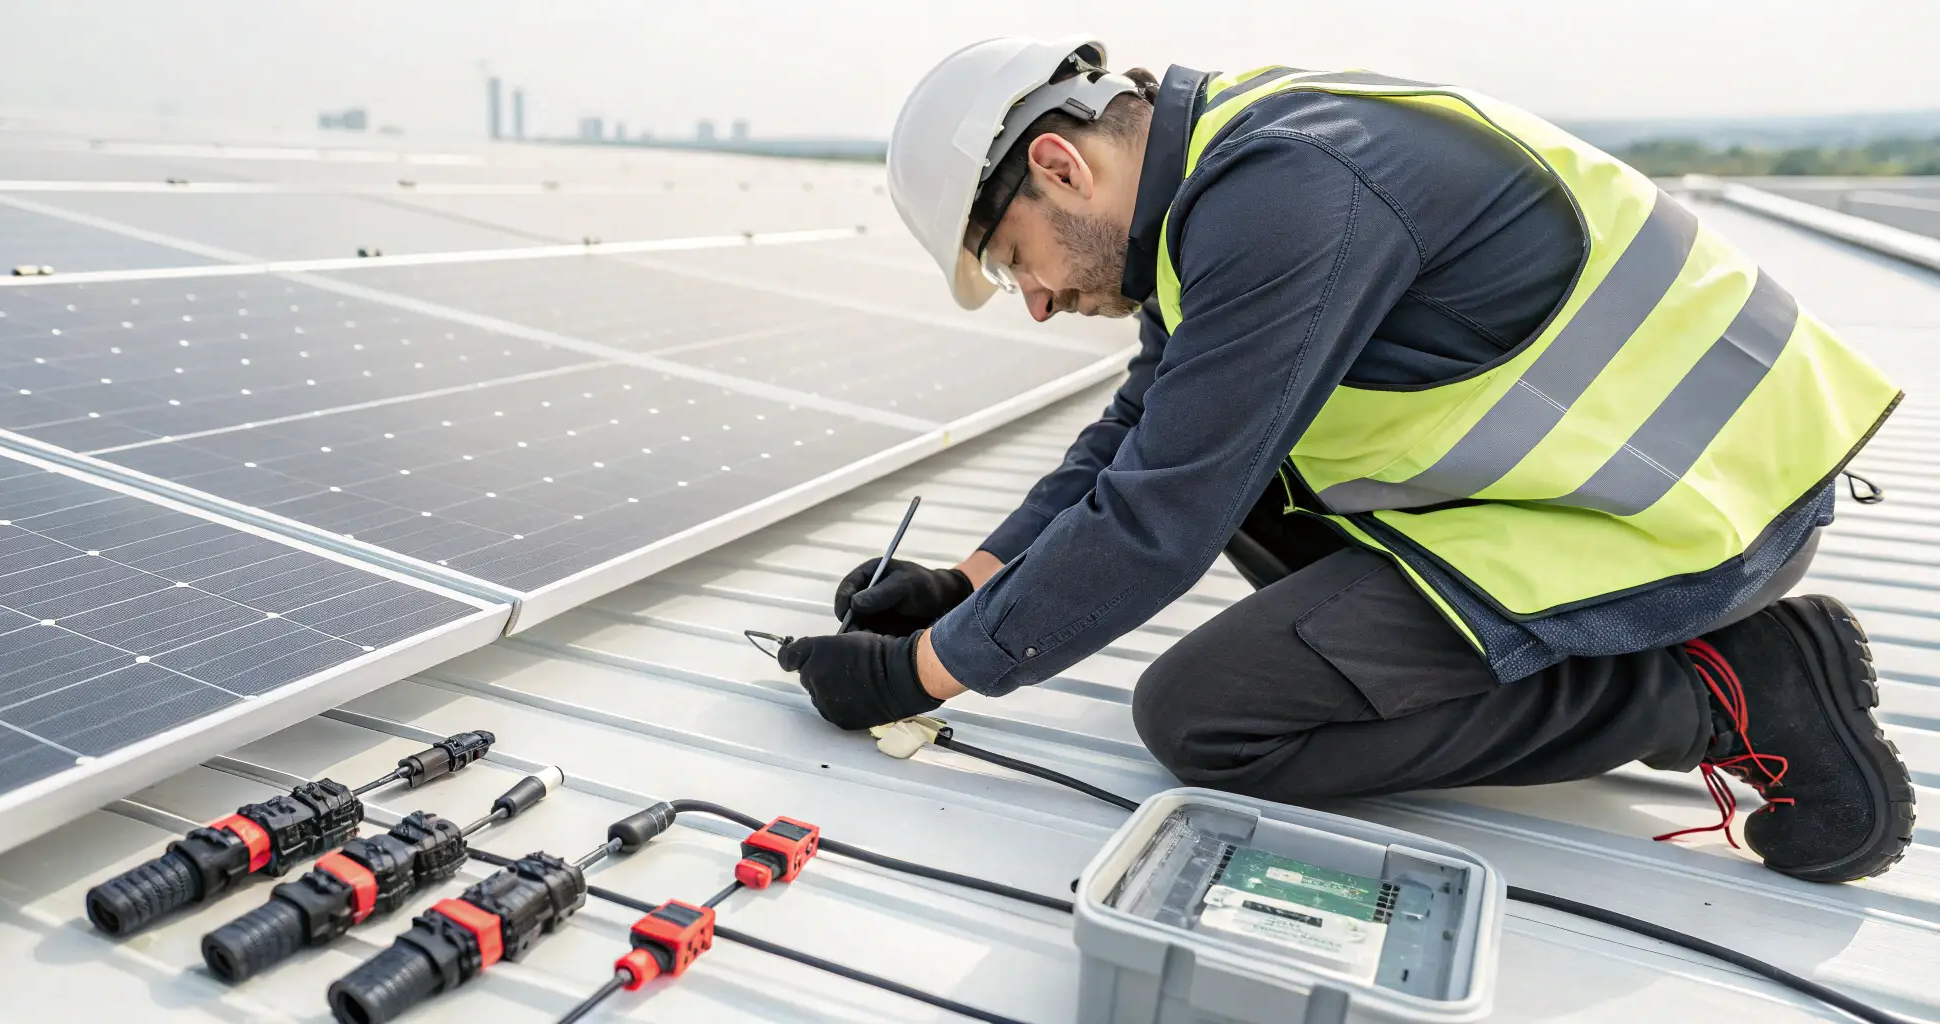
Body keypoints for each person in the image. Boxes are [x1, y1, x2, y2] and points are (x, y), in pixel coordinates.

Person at [774, 36, 1916, 883]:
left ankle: (1719, 688)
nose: (1033, 302)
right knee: (1223, 456)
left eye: (1014, 260)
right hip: (1625, 493)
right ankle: (1659, 660)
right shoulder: (1231, 165)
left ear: (1059, 165)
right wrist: (965, 586)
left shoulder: (1286, 194)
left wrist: (919, 675)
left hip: (1697, 518)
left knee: (1206, 721)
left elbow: (1157, 519)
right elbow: (1140, 430)